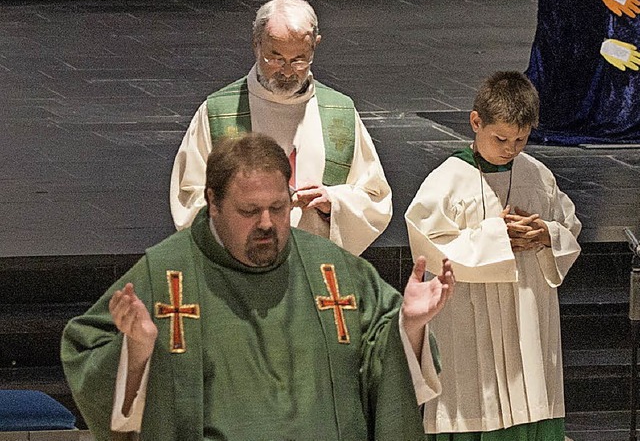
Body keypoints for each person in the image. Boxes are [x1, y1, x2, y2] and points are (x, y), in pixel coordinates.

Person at [62, 134, 454, 441]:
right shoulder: (167, 274)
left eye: (279, 208)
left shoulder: (333, 269)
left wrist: (409, 327)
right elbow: (85, 351)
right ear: (213, 202)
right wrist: (139, 349)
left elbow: (383, 357)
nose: (267, 223)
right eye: (249, 211)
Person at [404, 71, 582, 440]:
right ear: (475, 122)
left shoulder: (537, 175)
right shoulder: (448, 179)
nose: (510, 149)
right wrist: (496, 235)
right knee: (475, 398)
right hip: (470, 322)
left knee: (532, 397)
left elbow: (570, 226)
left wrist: (546, 234)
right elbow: (429, 246)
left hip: (527, 314)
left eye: (521, 139)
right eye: (500, 138)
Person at [169, 0, 392, 256]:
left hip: (314, 265)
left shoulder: (339, 111)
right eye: (275, 59)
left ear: (315, 46)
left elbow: (375, 198)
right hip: (243, 268)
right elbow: (190, 199)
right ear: (256, 44)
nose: (287, 71)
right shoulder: (218, 111)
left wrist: (335, 202)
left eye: (299, 60)